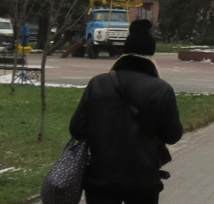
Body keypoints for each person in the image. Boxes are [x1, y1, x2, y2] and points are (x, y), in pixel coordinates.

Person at [69, 19, 183, 204]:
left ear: (124, 54)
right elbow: (173, 135)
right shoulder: (162, 90)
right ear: (151, 56)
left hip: (100, 178)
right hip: (143, 181)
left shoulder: (98, 84)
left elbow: (77, 129)